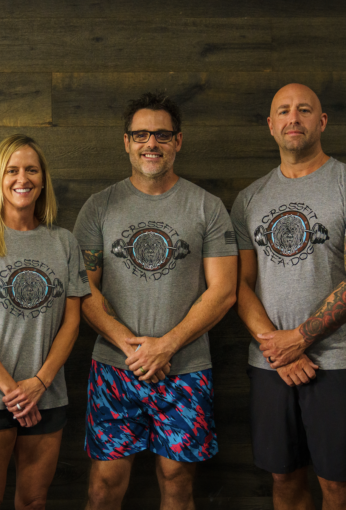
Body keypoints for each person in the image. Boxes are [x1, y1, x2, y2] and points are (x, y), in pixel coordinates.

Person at [74, 92, 238, 510]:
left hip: (185, 369)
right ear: (126, 142)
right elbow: (83, 289)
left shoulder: (207, 207)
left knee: (177, 484)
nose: (152, 143)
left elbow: (223, 291)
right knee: (103, 487)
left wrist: (165, 346)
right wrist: (133, 348)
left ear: (178, 141)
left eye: (162, 135)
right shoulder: (98, 207)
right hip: (115, 368)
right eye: (141, 134)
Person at [231, 83, 346, 510]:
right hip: (269, 365)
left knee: (338, 488)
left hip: (334, 363)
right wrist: (277, 349)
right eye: (283, 111)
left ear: (322, 121)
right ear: (271, 125)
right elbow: (239, 285)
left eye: (304, 110)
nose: (293, 118)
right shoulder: (249, 198)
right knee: (283, 480)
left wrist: (299, 338)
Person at [0, 134, 89, 510]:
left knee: (34, 501)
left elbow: (72, 324)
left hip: (47, 394)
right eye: (11, 170)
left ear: (43, 180)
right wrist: (14, 392)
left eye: (31, 170)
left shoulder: (64, 242)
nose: (22, 178)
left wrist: (39, 383)